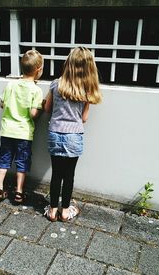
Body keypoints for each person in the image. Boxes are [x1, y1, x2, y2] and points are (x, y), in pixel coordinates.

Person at [43, 46, 102, 221]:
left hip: (55, 132)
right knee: (69, 176)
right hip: (74, 136)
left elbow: (47, 109)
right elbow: (83, 118)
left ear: (68, 63)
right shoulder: (86, 90)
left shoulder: (55, 84)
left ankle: (53, 210)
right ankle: (66, 211)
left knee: (56, 174)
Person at [0, 50, 44, 204]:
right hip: (23, 133)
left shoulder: (11, 84)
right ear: (38, 69)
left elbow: (2, 104)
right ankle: (19, 192)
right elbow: (33, 114)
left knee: (4, 158)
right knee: (22, 162)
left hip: (7, 130)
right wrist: (41, 108)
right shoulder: (36, 90)